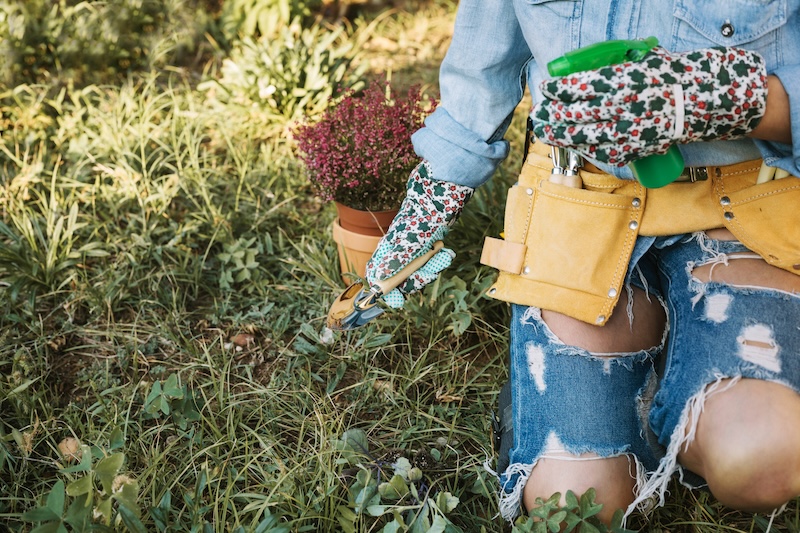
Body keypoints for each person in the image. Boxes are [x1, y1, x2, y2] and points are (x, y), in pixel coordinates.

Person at [365, 0, 800, 525]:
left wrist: (720, 101)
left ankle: (680, 379)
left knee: (761, 457)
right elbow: (483, 72)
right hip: (582, 204)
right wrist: (430, 202)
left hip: (747, 208)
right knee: (576, 507)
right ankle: (670, 372)